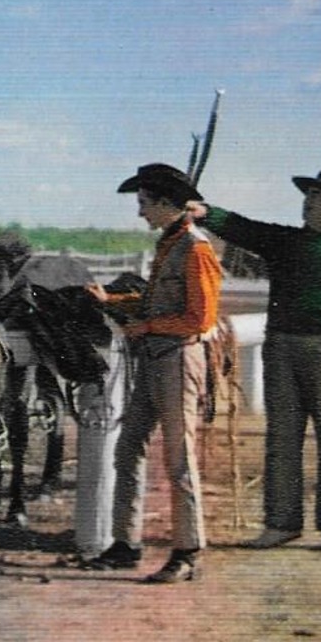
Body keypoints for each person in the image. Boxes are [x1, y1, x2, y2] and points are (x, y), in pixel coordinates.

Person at [187, 168, 321, 553]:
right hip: (280, 348)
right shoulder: (284, 242)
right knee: (281, 440)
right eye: (308, 196)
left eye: (319, 198)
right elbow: (242, 228)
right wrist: (203, 212)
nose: (308, 203)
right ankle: (281, 524)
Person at [84, 163, 223, 583]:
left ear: (166, 204)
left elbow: (200, 319)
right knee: (128, 449)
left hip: (179, 359)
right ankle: (126, 543)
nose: (140, 212)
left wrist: (142, 326)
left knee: (178, 459)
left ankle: (188, 551)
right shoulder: (170, 243)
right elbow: (156, 301)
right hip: (155, 359)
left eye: (145, 203)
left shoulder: (196, 249)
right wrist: (113, 298)